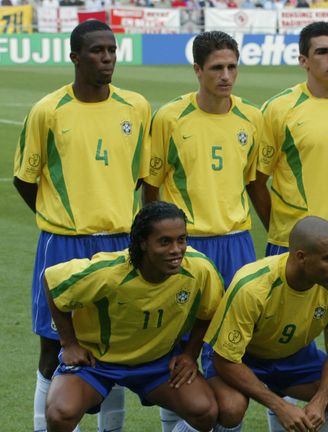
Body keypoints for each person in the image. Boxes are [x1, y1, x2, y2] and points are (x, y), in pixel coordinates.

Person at [12, 20, 151, 432]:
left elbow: (141, 175)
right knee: (54, 344)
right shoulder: (47, 111)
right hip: (64, 243)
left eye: (111, 50)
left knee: (116, 343)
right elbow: (25, 178)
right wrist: (62, 216)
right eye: (97, 51)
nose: (107, 58)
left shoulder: (137, 107)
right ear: (74, 56)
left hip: (120, 243)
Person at [144, 30, 263, 431]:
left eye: (232, 67)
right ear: (197, 70)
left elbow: (249, 180)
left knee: (233, 346)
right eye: (216, 68)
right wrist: (155, 248)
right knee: (179, 344)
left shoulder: (252, 117)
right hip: (188, 247)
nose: (226, 75)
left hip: (237, 242)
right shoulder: (170, 118)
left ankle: (228, 417)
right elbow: (153, 187)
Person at [43, 201, 224, 432]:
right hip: (97, 362)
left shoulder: (200, 269)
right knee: (60, 414)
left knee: (205, 411)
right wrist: (69, 344)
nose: (177, 250)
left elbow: (209, 310)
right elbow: (52, 281)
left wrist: (190, 354)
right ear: (143, 243)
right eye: (165, 242)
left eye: (182, 239)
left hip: (157, 362)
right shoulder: (108, 272)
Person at [249, 21, 328, 315]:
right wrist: (282, 231)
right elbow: (257, 181)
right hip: (294, 246)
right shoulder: (279, 109)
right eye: (322, 51)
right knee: (284, 328)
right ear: (303, 61)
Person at [204, 216, 328, 432]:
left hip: (295, 357)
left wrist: (320, 400)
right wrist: (279, 405)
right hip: (241, 359)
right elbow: (224, 359)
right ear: (301, 257)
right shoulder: (252, 287)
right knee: (231, 407)